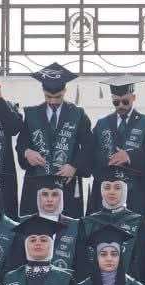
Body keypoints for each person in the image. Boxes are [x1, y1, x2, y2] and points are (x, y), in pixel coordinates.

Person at [16, 64, 90, 218]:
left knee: (67, 225)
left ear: (64, 91)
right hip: (37, 180)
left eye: (58, 97)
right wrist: (27, 152)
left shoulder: (78, 114)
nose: (53, 101)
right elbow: (21, 143)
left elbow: (89, 145)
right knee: (35, 226)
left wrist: (74, 166)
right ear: (43, 91)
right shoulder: (31, 114)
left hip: (65, 180)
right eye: (48, 97)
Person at [87, 80, 145, 215]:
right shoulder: (102, 124)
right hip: (107, 191)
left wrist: (129, 156)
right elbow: (91, 154)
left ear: (133, 98)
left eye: (125, 101)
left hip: (136, 190)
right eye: (116, 102)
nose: (121, 105)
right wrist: (106, 162)